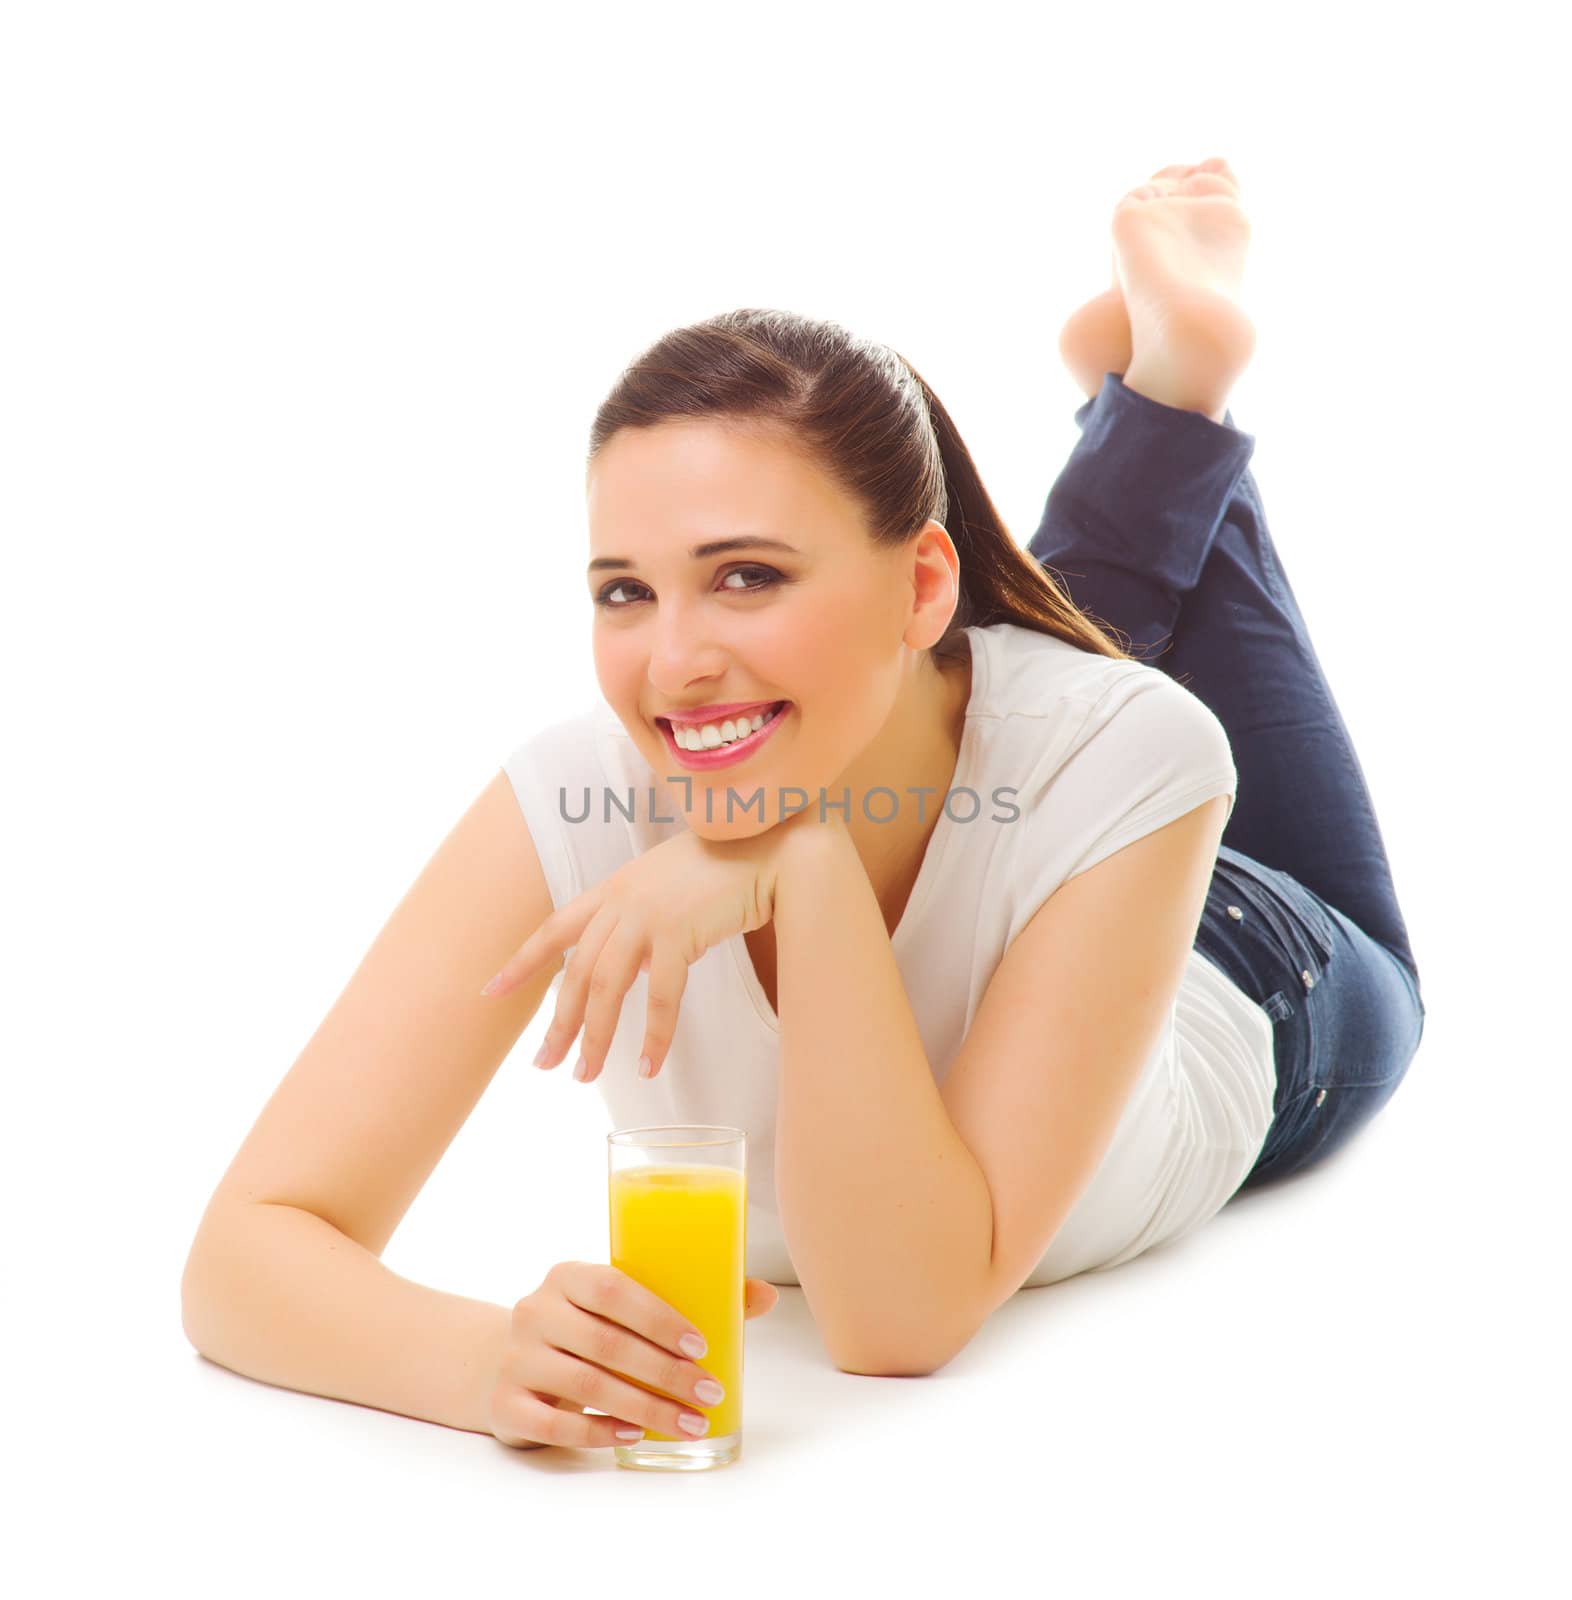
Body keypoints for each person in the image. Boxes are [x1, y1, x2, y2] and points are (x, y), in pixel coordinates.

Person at [181, 158, 1425, 1453]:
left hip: (1251, 968)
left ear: (925, 584)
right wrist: (485, 1360)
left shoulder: (1131, 755)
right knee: (943, 679)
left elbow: (898, 1321)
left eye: (745, 575)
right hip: (951, 718)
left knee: (1076, 711)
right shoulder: (585, 786)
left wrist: (804, 864)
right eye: (624, 591)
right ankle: (1155, 408)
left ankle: (1180, 402)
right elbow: (241, 1256)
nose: (671, 663)